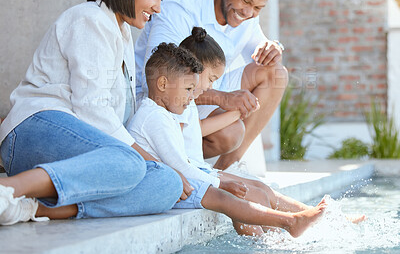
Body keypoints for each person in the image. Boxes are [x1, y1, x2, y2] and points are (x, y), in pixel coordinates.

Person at [0, 0, 183, 226]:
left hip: (80, 149)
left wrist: (161, 163)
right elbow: (92, 109)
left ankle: (31, 209)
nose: (157, 8)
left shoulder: (120, 33)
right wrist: (146, 158)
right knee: (131, 163)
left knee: (166, 184)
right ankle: (9, 189)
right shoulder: (90, 19)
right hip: (33, 129)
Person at [128, 42, 327, 238]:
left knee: (258, 191)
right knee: (244, 195)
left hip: (190, 177)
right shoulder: (154, 118)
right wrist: (220, 183)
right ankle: (277, 234)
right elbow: (181, 167)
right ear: (162, 84)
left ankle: (277, 239)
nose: (193, 96)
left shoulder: (165, 113)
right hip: (177, 187)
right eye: (189, 89)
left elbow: (187, 159)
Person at [135, 0, 288, 171]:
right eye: (245, 0)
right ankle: (182, 160)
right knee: (230, 132)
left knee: (275, 73)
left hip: (204, 89)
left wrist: (274, 47)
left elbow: (262, 50)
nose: (248, 13)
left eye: (257, 8)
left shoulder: (247, 17)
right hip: (164, 99)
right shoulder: (181, 8)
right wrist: (222, 98)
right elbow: (157, 79)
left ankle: (228, 170)